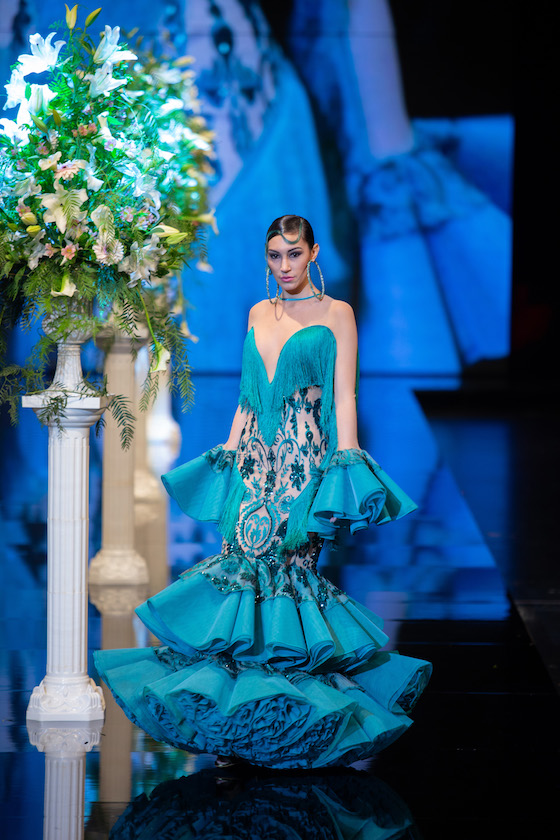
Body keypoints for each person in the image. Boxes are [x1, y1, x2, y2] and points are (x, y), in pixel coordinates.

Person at [94, 215, 432, 769]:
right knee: (242, 576)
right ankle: (238, 719)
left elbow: (343, 396)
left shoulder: (337, 314)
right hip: (253, 464)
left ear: (313, 253)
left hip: (303, 466)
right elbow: (248, 396)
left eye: (293, 254)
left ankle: (282, 717)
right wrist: (228, 453)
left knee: (286, 575)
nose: (284, 266)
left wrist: (346, 464)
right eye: (275, 256)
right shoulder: (257, 312)